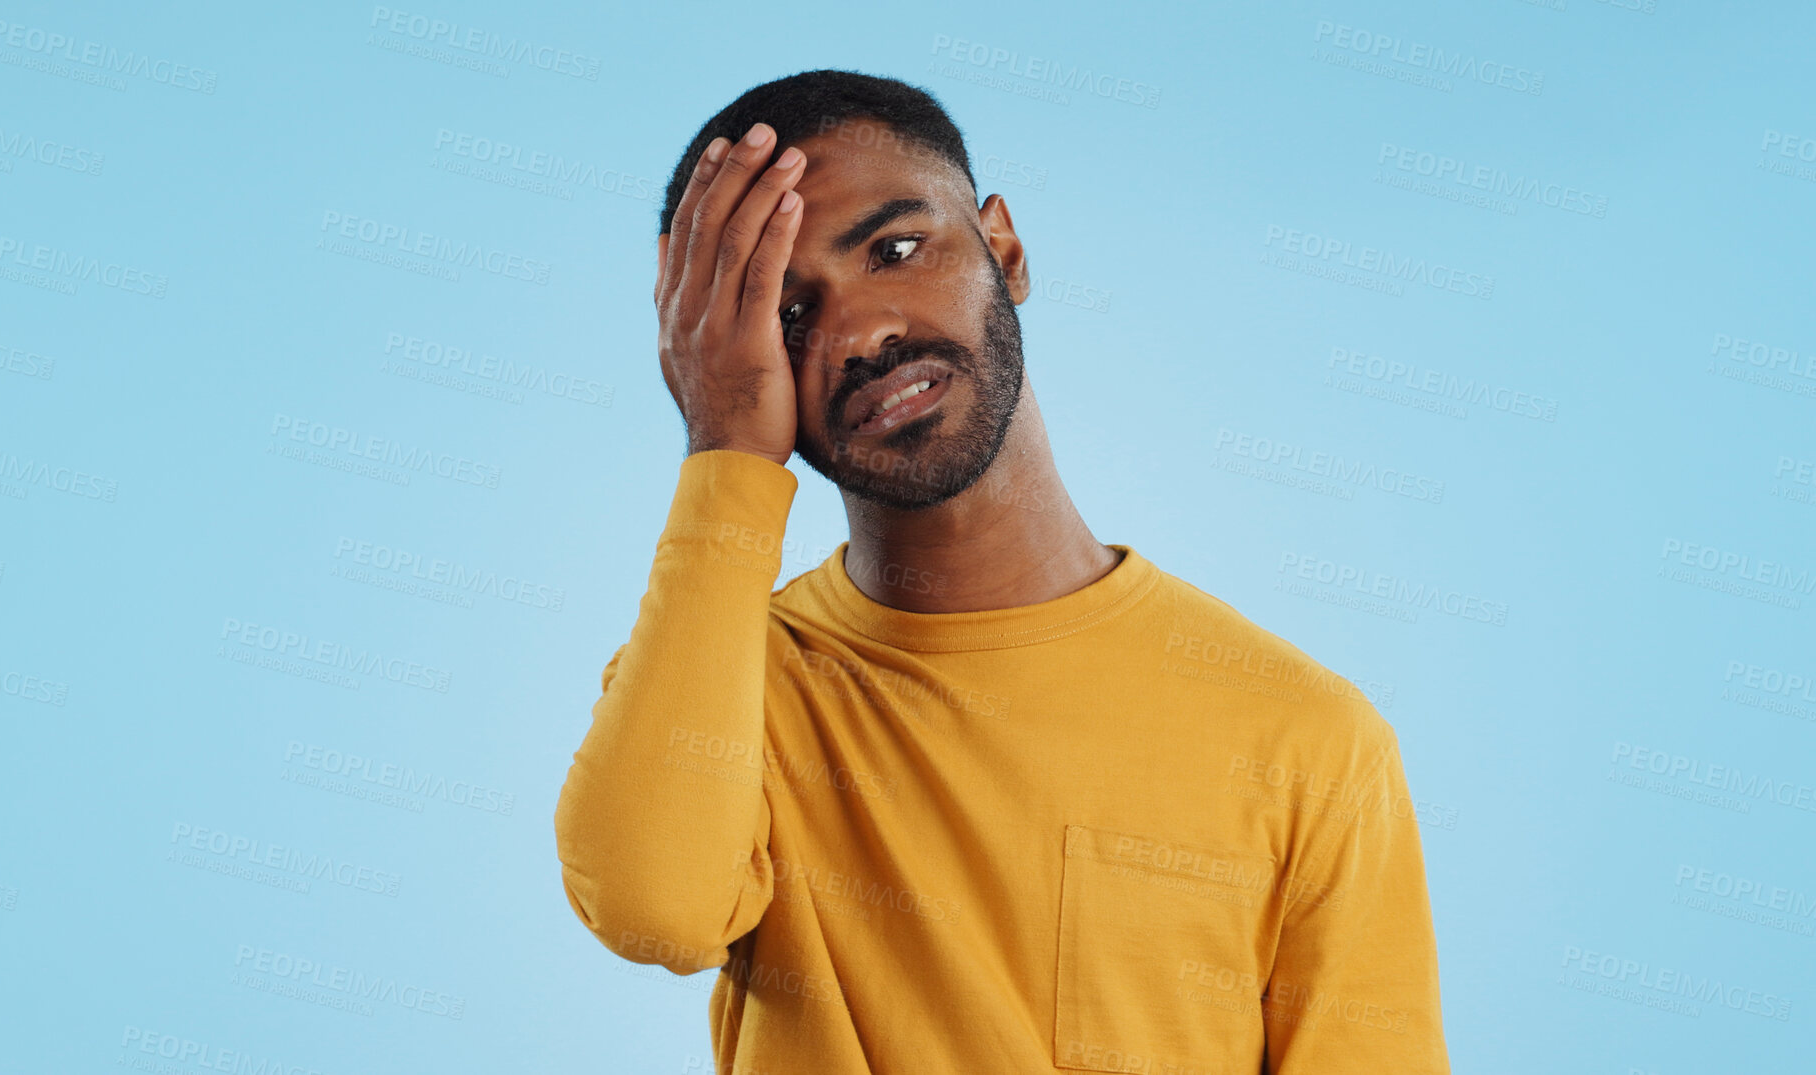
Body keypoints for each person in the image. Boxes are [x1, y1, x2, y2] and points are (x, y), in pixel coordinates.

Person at [554, 68, 1450, 1074]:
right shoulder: (729, 684)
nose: (863, 333)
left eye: (898, 250)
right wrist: (726, 450)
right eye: (788, 313)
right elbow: (650, 909)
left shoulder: (1309, 738)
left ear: (1003, 247)